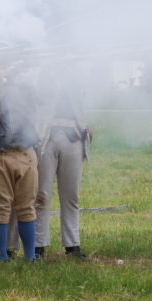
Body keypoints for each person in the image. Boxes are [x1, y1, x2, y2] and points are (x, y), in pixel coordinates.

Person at [35, 67, 91, 259]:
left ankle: (72, 243)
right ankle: (38, 244)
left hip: (73, 136)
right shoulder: (39, 70)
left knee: (71, 195)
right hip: (45, 136)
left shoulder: (77, 71)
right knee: (42, 194)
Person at [0, 81, 41, 261]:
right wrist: (1, 75)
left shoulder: (29, 80)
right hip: (1, 153)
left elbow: (39, 95)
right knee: (1, 206)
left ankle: (30, 257)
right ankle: (1, 257)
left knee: (27, 206)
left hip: (26, 152)